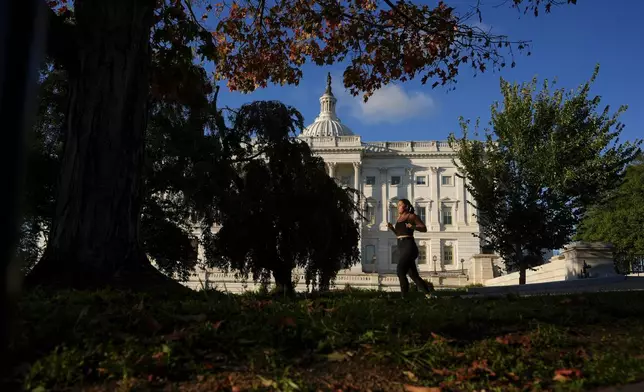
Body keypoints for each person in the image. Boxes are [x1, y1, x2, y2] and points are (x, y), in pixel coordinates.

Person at [387, 199, 433, 296]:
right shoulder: (399, 219)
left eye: (400, 205)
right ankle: (429, 294)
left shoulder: (412, 216)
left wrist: (413, 226)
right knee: (413, 275)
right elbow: (399, 234)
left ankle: (405, 298)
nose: (398, 207)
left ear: (406, 207)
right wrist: (392, 228)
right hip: (402, 248)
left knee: (400, 270)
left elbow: (424, 228)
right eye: (398, 205)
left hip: (409, 247)